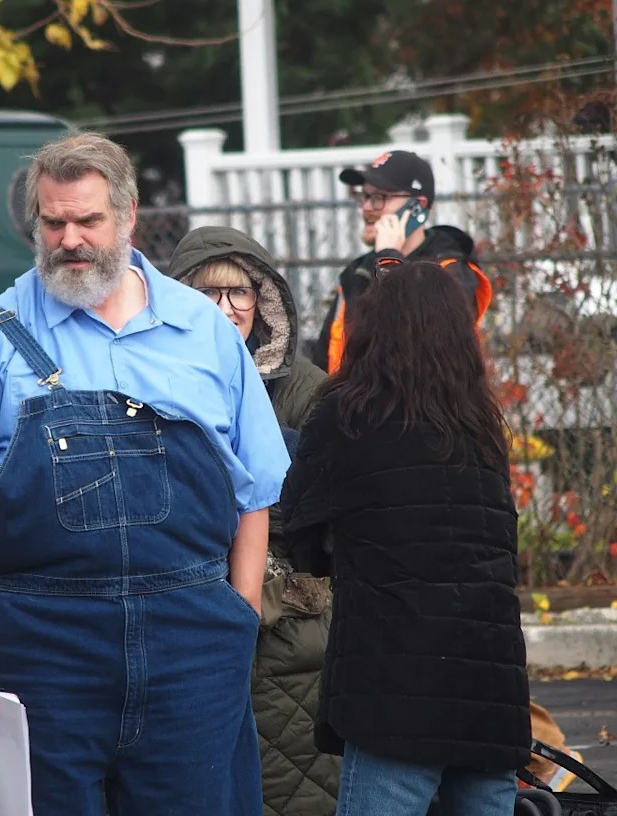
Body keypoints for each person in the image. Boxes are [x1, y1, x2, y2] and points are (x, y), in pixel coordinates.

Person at [0, 132, 291, 816]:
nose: (70, 239)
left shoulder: (204, 331)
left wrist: (241, 614)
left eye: (88, 221)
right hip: (40, 644)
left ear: (129, 215)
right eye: (53, 223)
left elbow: (253, 492)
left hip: (193, 642)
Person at [280, 260, 531, 815]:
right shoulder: (483, 428)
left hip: (396, 689)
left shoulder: (347, 415)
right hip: (490, 691)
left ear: (375, 329)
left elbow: (298, 532)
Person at [169, 225, 339, 815]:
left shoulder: (307, 391)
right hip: (189, 610)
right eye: (206, 294)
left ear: (261, 299)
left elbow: (328, 508)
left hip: (290, 627)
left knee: (296, 789)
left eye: (238, 292)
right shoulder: (157, 381)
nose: (225, 309)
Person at [312, 150, 492, 374]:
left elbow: (418, 349)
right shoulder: (358, 273)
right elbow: (326, 358)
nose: (367, 208)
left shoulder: (449, 271)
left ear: (417, 206)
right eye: (365, 197)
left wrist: (389, 258)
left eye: (380, 198)